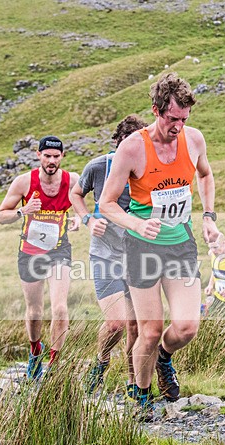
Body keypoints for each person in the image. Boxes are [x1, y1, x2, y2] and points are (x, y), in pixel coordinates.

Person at [100, 73, 220, 412]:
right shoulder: (133, 147)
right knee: (149, 331)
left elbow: (206, 174)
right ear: (156, 111)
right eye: (172, 119)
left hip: (180, 244)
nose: (178, 127)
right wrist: (137, 223)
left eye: (184, 119)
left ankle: (165, 359)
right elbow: (107, 203)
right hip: (142, 247)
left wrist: (208, 217)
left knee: (186, 327)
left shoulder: (194, 140)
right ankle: (140, 394)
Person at [69, 115, 148, 395]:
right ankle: (100, 363)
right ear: (118, 143)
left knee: (136, 328)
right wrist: (88, 219)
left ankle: (132, 384)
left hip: (138, 256)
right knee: (116, 323)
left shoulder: (148, 167)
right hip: (105, 254)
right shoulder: (99, 166)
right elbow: (75, 194)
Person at [0, 136, 80, 381]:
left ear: (62, 157)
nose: (51, 161)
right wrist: (23, 211)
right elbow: (1, 215)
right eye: (47, 156)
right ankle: (35, 350)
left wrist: (78, 218)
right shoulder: (24, 182)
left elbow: (86, 206)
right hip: (30, 252)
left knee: (60, 307)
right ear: (38, 155)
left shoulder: (72, 180)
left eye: (56, 156)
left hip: (59, 251)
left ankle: (54, 364)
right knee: (34, 311)